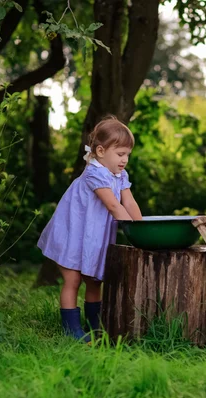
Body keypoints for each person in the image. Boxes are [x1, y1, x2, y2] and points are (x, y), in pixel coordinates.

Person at [37, 116, 142, 342]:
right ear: (101, 151)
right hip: (73, 233)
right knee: (73, 280)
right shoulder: (94, 173)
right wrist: (134, 235)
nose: (125, 160)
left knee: (95, 280)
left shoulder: (120, 175)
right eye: (120, 154)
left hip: (93, 237)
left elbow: (129, 203)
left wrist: (143, 229)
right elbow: (114, 205)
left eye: (128, 155)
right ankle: (72, 329)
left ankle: (96, 327)